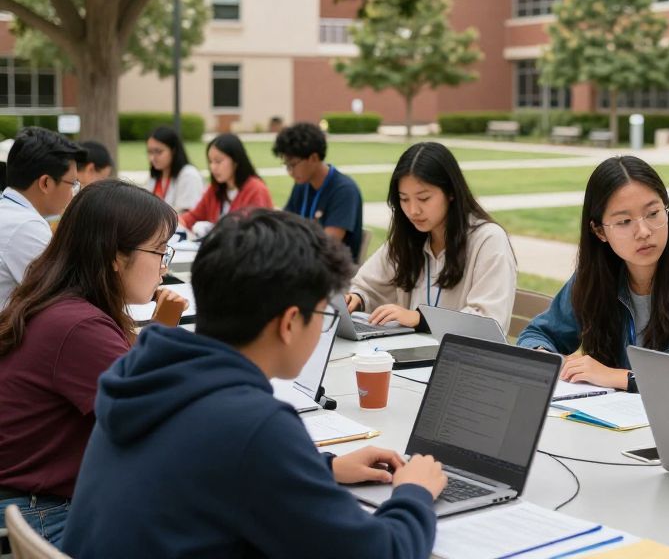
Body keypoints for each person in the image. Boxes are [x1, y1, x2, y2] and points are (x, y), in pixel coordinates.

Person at [61, 210, 446, 559]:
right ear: (289, 322)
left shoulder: (146, 372)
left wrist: (321, 468)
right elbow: (382, 552)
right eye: (323, 315)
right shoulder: (254, 425)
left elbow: (212, 464)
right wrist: (414, 492)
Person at [0, 180, 182, 548]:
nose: (164, 267)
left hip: (28, 500)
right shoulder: (78, 327)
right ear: (115, 255)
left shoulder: (59, 305)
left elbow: (136, 384)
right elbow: (159, 420)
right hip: (43, 511)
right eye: (160, 251)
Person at [516, 156, 669, 391]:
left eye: (653, 213)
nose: (643, 231)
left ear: (667, 210)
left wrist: (620, 377)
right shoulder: (596, 278)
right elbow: (536, 335)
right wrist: (551, 361)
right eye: (625, 221)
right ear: (599, 231)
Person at [345, 142, 516, 332]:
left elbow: (489, 320)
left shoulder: (488, 240)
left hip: (459, 351)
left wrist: (421, 319)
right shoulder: (408, 237)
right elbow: (367, 286)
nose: (413, 210)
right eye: (404, 199)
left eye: (424, 198)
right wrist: (357, 299)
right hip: (412, 348)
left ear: (451, 192)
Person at [0, 127, 86, 309]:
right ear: (45, 183)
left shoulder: (8, 209)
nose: (73, 193)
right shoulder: (25, 225)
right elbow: (65, 295)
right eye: (72, 183)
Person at [274, 121, 364, 263]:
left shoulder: (344, 190)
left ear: (313, 158)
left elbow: (328, 246)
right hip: (304, 263)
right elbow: (285, 227)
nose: (290, 172)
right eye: (286, 165)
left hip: (334, 269)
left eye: (293, 165)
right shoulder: (302, 185)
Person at [179, 133, 273, 235]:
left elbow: (257, 232)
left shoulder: (256, 190)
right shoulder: (215, 189)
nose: (213, 167)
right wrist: (172, 222)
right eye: (210, 162)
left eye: (218, 161)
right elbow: (192, 217)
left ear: (236, 161)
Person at [145, 126, 204, 212]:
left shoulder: (189, 175)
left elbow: (187, 213)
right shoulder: (155, 176)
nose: (152, 158)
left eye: (158, 151)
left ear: (173, 150)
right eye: (150, 152)